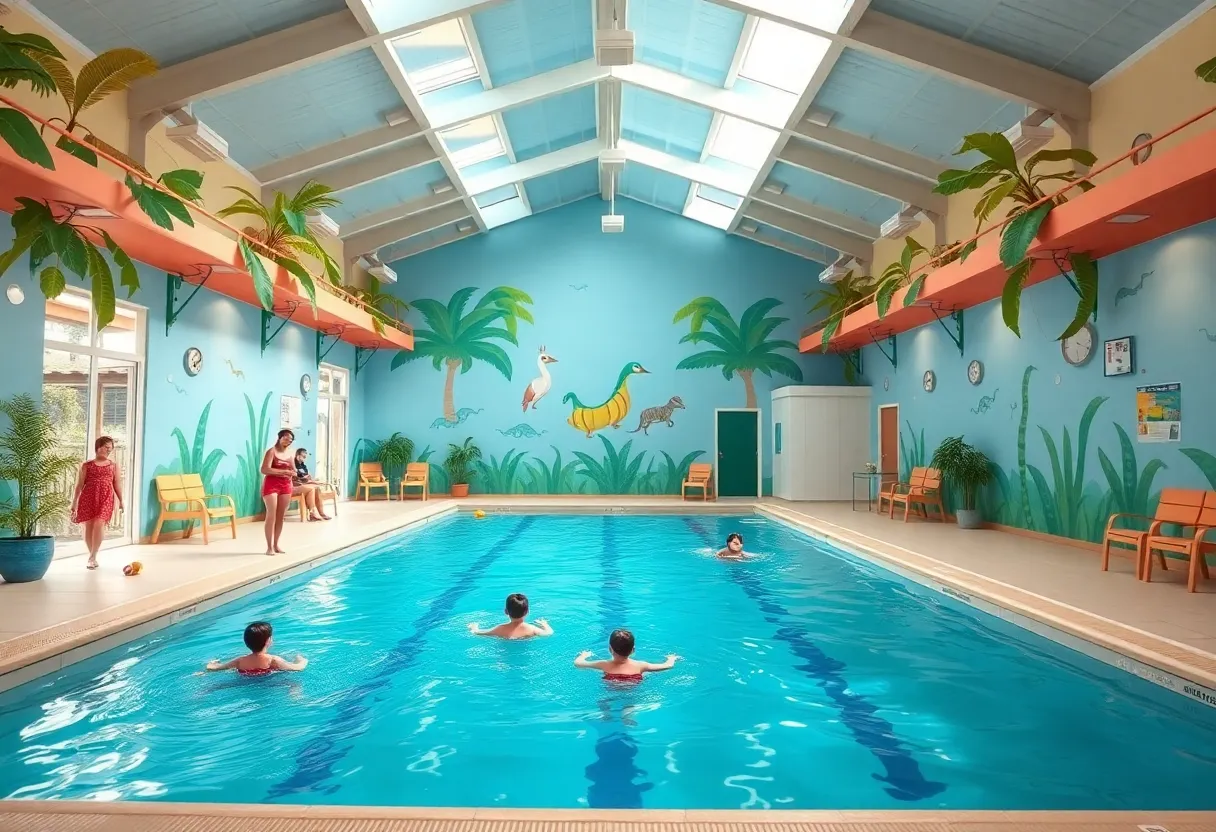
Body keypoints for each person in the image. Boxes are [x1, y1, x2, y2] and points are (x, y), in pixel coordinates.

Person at [70, 436, 123, 570]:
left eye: (110, 448)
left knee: (99, 523)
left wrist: (121, 500)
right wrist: (74, 503)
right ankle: (92, 556)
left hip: (106, 497)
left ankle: (93, 556)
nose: (108, 450)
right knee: (88, 526)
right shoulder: (86, 465)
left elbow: (117, 484)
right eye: (106, 447)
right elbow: (79, 485)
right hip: (88, 496)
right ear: (98, 447)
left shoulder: (114, 465)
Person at [204, 621, 307, 676]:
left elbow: (215, 668)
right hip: (270, 683)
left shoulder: (240, 661)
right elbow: (298, 668)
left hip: (244, 682)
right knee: (293, 685)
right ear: (268, 641)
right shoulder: (273, 660)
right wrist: (301, 660)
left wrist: (212, 663)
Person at [574, 629, 678, 683]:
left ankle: (606, 713)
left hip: (611, 684)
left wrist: (583, 655)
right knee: (630, 703)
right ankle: (627, 715)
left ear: (610, 649)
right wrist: (671, 658)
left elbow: (578, 664)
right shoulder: (641, 665)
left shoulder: (603, 664)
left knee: (604, 700)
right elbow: (667, 666)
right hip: (632, 684)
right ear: (633, 650)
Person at [261, 429, 297, 554]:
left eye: (291, 440)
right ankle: (269, 547)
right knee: (271, 515)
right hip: (271, 485)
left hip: (286, 485)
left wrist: (294, 473)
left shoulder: (290, 454)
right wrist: (283, 472)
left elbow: (294, 470)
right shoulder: (271, 452)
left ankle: (276, 545)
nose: (288, 441)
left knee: (280, 516)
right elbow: (265, 469)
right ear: (280, 438)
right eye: (286, 438)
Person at [468, 593, 553, 639]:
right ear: (527, 612)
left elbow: (478, 633)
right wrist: (545, 624)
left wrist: (474, 627)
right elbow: (549, 633)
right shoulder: (532, 629)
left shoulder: (499, 629)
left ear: (506, 611)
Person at [293, 448, 331, 521]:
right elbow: (296, 478)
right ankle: (312, 513)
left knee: (317, 488)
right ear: (298, 456)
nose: (305, 458)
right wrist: (307, 479)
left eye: (305, 457)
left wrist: (313, 481)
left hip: (304, 483)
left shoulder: (303, 466)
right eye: (303, 456)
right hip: (297, 485)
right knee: (312, 488)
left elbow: (307, 478)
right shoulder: (293, 464)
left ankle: (321, 513)